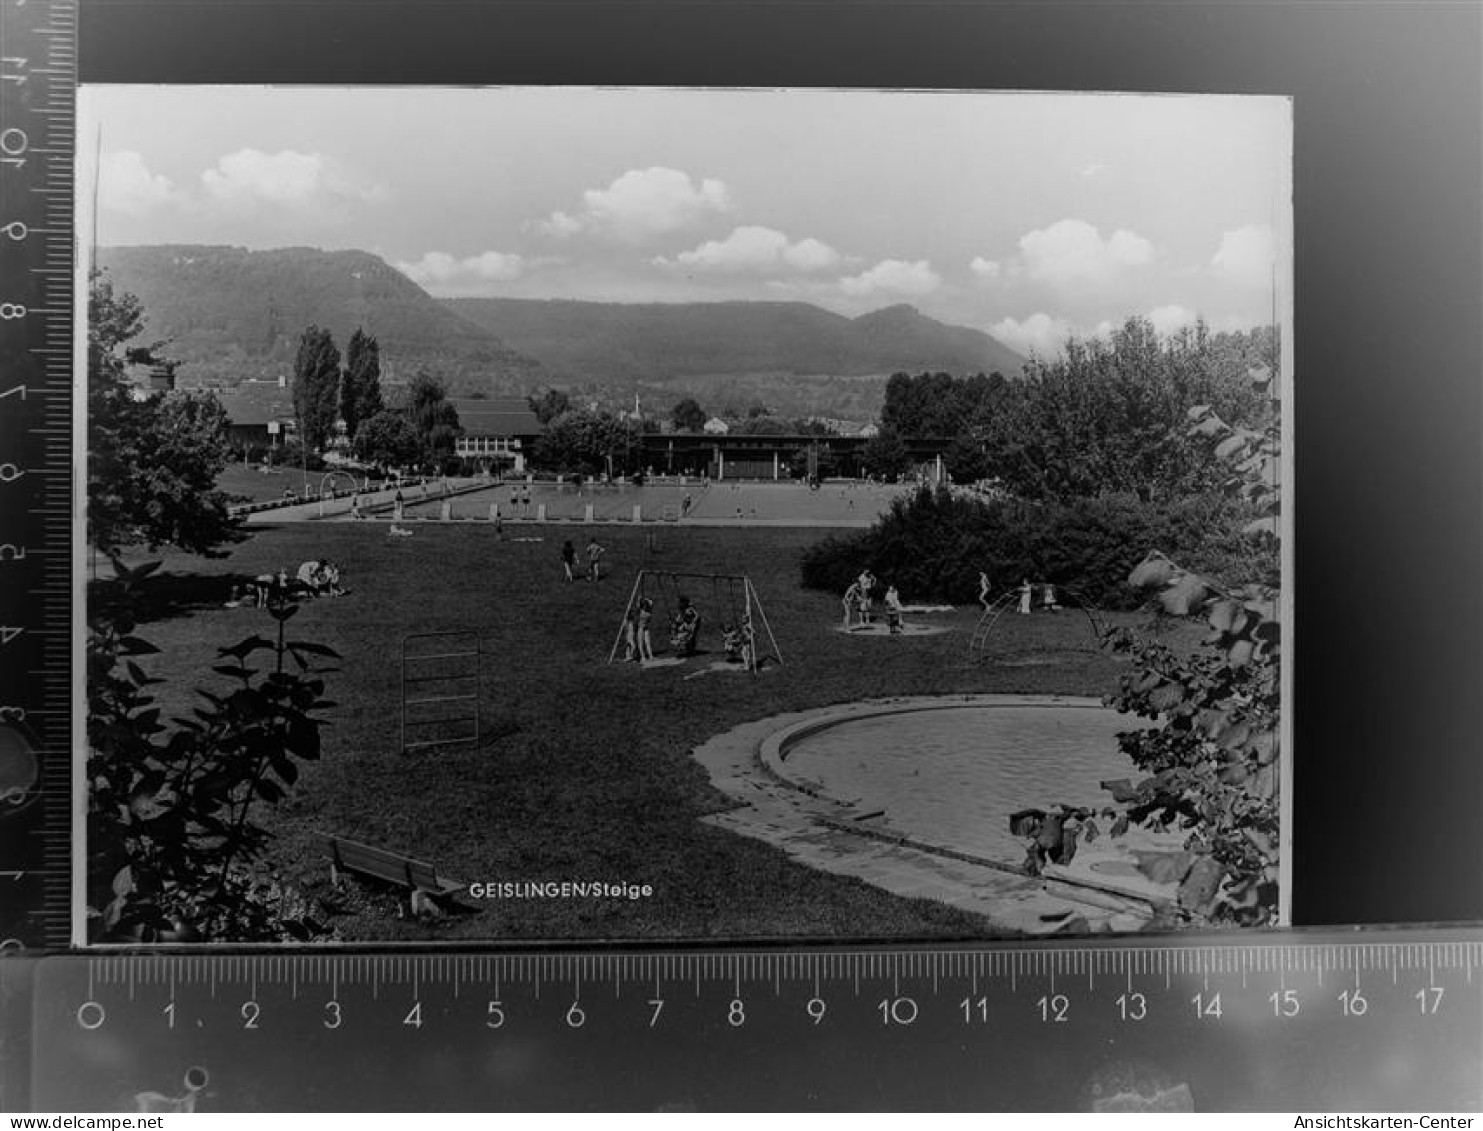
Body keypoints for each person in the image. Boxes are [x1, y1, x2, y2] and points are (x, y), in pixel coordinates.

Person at [636, 597, 655, 662]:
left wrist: (639, 599)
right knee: (647, 643)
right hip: (646, 628)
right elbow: (651, 603)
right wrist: (646, 599)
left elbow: (638, 606)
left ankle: (643, 657)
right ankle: (650, 656)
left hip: (641, 628)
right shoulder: (649, 612)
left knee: (640, 643)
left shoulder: (641, 611)